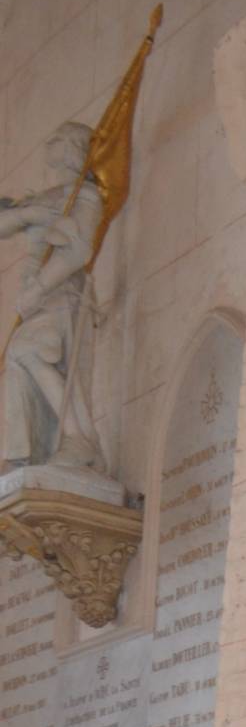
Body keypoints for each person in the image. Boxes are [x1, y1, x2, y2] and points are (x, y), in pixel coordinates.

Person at [0, 122, 104, 471]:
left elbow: (78, 250)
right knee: (17, 362)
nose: (50, 143)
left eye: (58, 138)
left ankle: (79, 439)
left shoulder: (83, 195)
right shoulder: (46, 198)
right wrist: (26, 213)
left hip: (59, 291)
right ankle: (22, 455)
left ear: (73, 147)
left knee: (26, 350)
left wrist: (40, 288)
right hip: (35, 295)